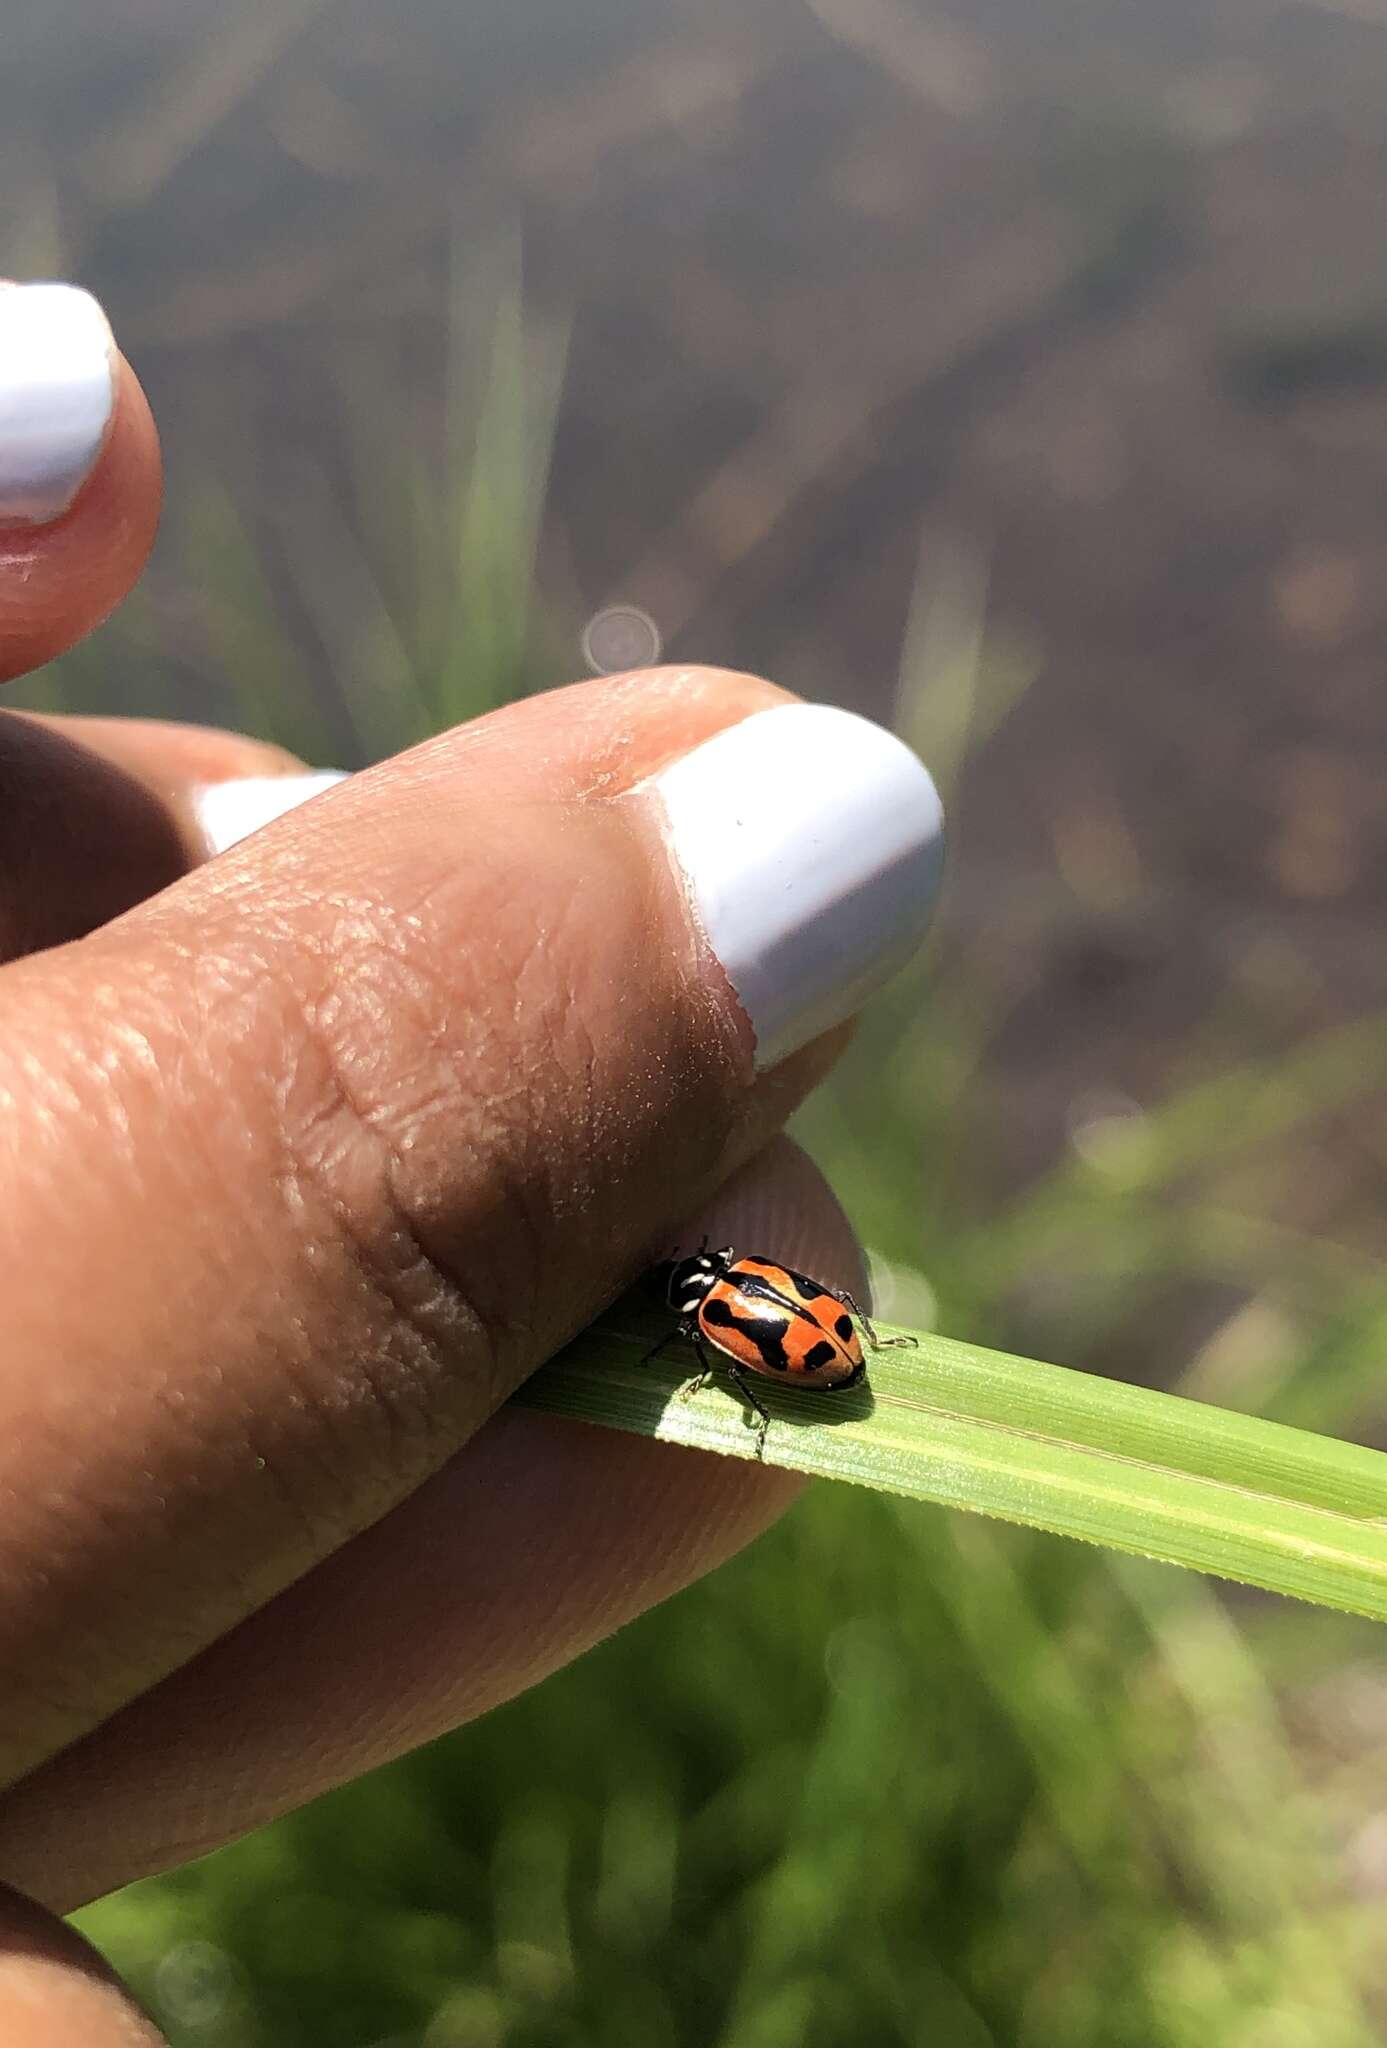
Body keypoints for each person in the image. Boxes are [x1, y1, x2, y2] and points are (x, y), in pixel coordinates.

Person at [0, 284, 944, 2045]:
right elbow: (770, 1326)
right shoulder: (751, 1310)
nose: (733, 1312)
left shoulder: (730, 1311)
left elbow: (754, 1327)